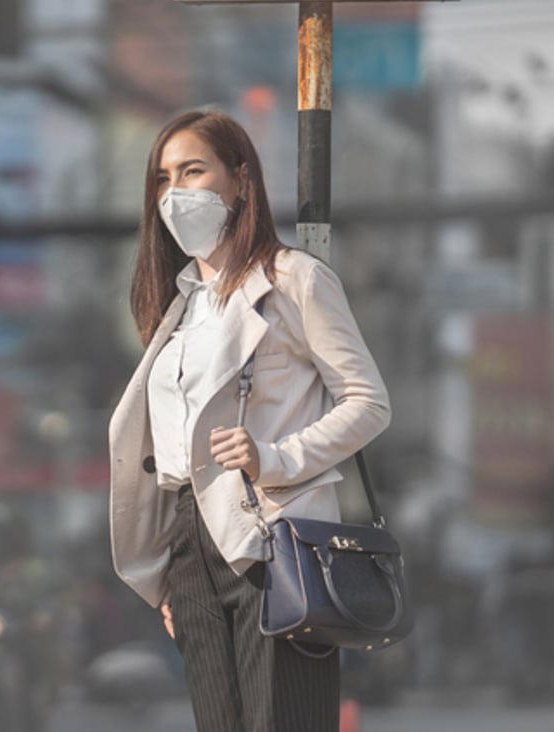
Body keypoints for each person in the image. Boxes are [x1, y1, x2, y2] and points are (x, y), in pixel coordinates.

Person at [108, 109, 391, 732]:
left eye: (193, 170)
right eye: (162, 178)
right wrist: (169, 572)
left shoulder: (294, 279)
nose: (175, 192)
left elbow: (369, 402)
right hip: (189, 546)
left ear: (241, 180)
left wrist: (275, 456)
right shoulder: (180, 305)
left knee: (281, 721)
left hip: (274, 536)